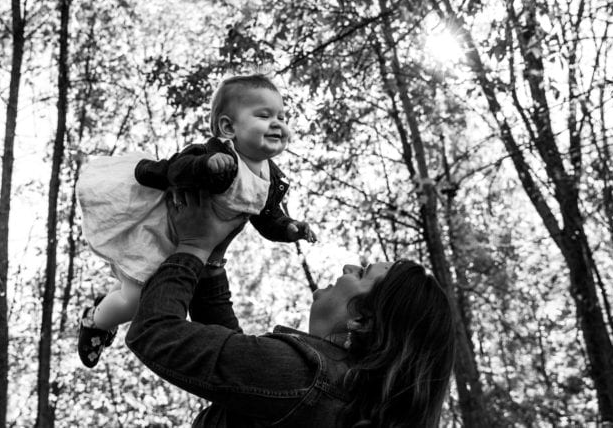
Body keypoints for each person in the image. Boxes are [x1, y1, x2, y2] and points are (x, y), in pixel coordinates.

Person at [125, 189, 457, 427]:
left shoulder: (302, 377)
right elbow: (235, 364)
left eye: (363, 273)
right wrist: (211, 262)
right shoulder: (340, 397)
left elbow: (154, 333)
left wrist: (193, 248)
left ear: (363, 320)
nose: (346, 268)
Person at [76, 74, 316, 367]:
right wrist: (205, 166)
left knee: (133, 289)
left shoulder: (271, 177)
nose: (277, 123)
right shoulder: (215, 153)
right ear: (229, 127)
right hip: (159, 237)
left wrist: (289, 229)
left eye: (281, 116)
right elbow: (175, 169)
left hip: (195, 256)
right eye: (264, 116)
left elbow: (267, 218)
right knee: (134, 301)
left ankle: (106, 304)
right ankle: (95, 321)